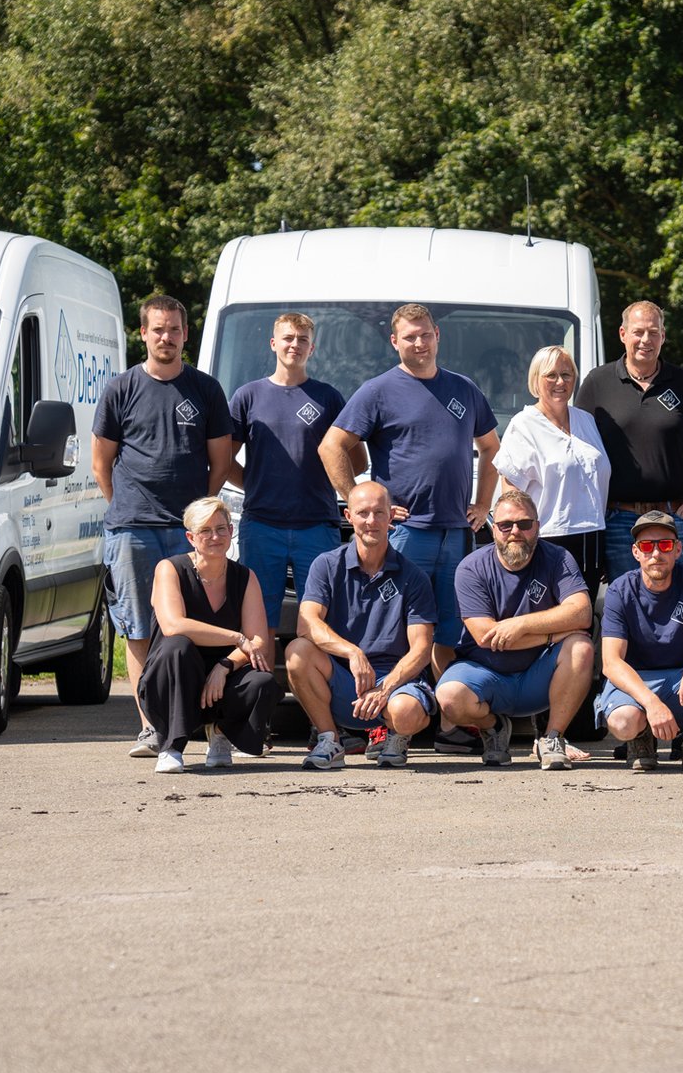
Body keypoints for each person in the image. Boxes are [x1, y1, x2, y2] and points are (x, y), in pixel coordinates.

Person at [92, 295, 236, 758]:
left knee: (196, 627)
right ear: (143, 333)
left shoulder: (205, 389)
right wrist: (126, 508)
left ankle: (206, 725)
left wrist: (197, 518)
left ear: (185, 334)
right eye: (158, 329)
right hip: (132, 529)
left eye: (174, 329)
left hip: (187, 533)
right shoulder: (120, 389)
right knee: (139, 629)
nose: (166, 337)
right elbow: (101, 464)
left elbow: (220, 463)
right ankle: (150, 728)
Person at [331, 303, 500, 677]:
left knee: (451, 633)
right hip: (405, 533)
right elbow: (332, 446)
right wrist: (360, 503)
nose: (420, 343)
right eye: (410, 337)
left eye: (425, 334)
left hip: (456, 532)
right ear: (395, 342)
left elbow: (490, 447)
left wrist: (483, 503)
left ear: (437, 335)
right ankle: (395, 706)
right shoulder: (377, 391)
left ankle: (446, 710)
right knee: (397, 629)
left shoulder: (464, 388)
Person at [436, 491, 596, 770]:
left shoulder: (558, 558)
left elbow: (582, 612)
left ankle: (553, 738)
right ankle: (494, 727)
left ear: (538, 525)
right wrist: (553, 634)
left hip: (538, 676)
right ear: (493, 528)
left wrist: (520, 624)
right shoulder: (471, 567)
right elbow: (487, 637)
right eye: (505, 525)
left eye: (524, 524)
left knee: (581, 648)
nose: (515, 532)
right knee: (450, 698)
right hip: (486, 674)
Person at [284, 481, 438, 771]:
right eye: (363, 513)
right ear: (348, 516)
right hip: (345, 678)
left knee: (405, 713)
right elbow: (307, 624)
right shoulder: (326, 565)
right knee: (297, 651)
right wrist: (353, 653)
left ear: (391, 516)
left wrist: (384, 689)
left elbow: (421, 648)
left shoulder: (413, 576)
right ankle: (329, 739)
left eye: (379, 513)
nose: (371, 521)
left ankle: (396, 736)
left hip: (395, 681)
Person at [226, 311, 361, 630]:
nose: (295, 345)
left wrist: (328, 479)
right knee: (258, 621)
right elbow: (224, 460)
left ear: (312, 348)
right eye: (288, 338)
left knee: (323, 620)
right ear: (273, 343)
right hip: (261, 526)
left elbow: (358, 462)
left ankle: (314, 667)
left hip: (317, 526)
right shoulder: (247, 396)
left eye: (303, 340)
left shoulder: (328, 398)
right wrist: (255, 484)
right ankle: (261, 667)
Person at [139, 497, 280, 774]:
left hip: (223, 677)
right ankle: (171, 746)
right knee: (177, 647)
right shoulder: (170, 569)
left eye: (221, 529)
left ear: (231, 531)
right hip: (175, 674)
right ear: (191, 537)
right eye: (205, 530)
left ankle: (220, 733)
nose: (215, 537)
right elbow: (173, 626)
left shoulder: (245, 577)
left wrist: (225, 666)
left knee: (263, 681)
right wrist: (237, 638)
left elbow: (258, 641)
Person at [575, 300, 683, 580]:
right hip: (618, 521)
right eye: (638, 332)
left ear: (663, 336)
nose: (645, 340)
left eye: (653, 332)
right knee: (626, 600)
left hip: (677, 517)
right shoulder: (597, 383)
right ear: (623, 334)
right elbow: (578, 452)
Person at [596, 511, 683, 772]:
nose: (656, 553)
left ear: (678, 549)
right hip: (637, 682)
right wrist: (651, 704)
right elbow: (611, 663)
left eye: (665, 545)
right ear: (636, 552)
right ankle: (641, 737)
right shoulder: (619, 590)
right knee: (624, 722)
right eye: (647, 546)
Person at [493, 345, 612, 595]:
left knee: (585, 614)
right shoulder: (523, 425)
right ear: (536, 379)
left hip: (593, 539)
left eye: (566, 375)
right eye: (551, 375)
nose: (560, 382)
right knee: (549, 614)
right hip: (547, 541)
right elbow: (511, 495)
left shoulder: (587, 421)